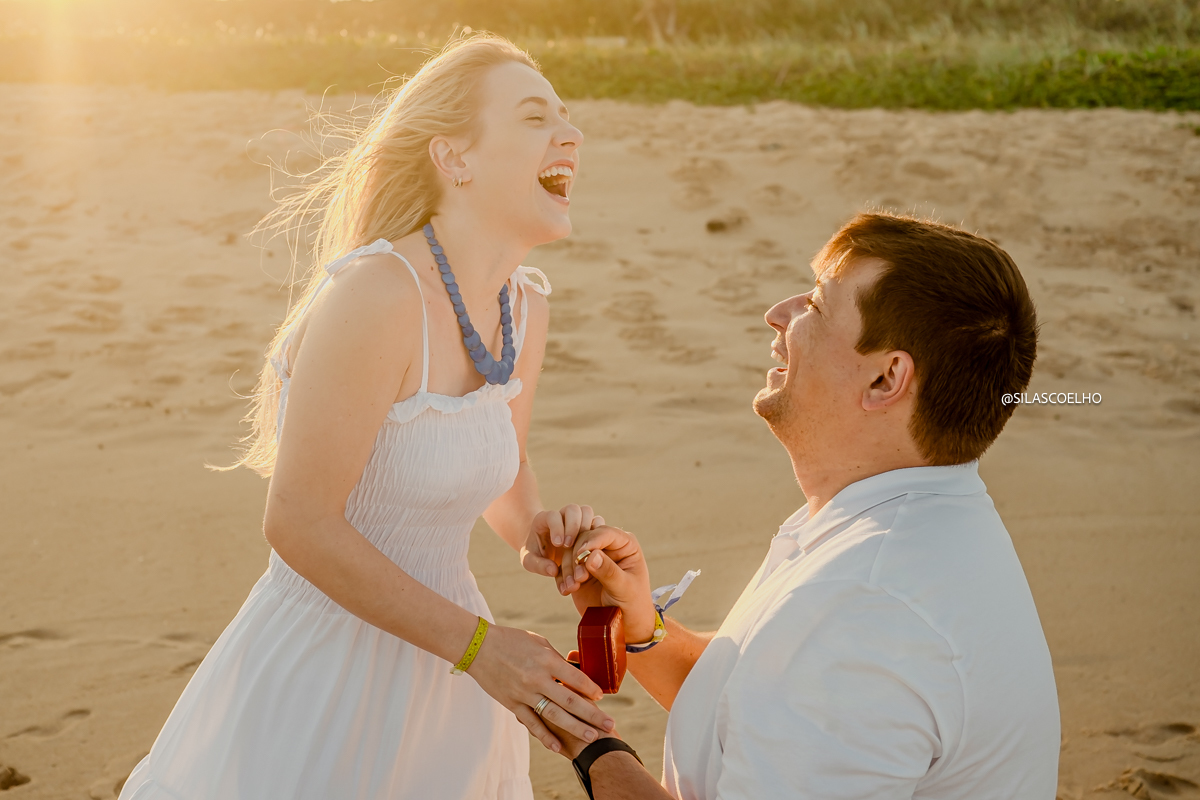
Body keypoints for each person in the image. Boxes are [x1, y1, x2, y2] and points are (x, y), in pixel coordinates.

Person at [119, 34, 616, 800]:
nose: (569, 133)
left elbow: (503, 468)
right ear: (455, 158)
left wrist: (544, 536)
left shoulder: (526, 305)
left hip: (449, 681)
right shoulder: (378, 295)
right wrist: (483, 651)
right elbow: (298, 522)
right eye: (533, 116)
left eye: (566, 116)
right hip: (327, 666)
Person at [525, 213, 1061, 799]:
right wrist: (640, 629)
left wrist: (590, 744)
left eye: (817, 304)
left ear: (886, 379)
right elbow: (760, 703)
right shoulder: (911, 519)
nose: (778, 313)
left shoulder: (863, 609)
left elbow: (819, 672)